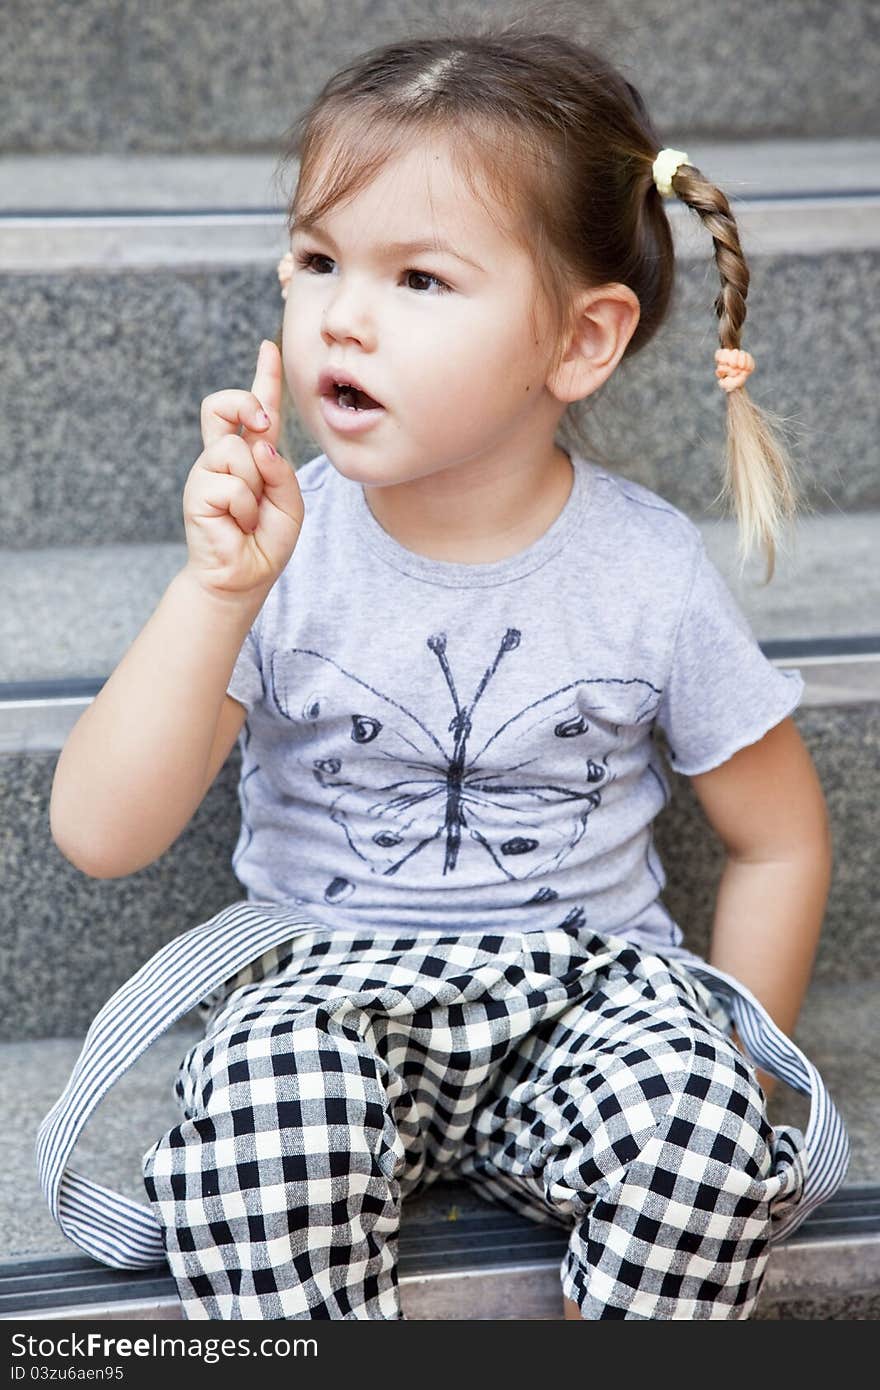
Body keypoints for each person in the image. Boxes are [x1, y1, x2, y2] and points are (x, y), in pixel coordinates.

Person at [37, 17, 849, 1321]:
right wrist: (216, 590)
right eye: (316, 259)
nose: (343, 316)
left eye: (418, 278)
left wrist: (732, 1071)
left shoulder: (645, 572)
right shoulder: (273, 550)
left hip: (579, 992)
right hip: (330, 989)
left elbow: (779, 837)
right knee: (270, 1112)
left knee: (699, 1128)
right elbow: (97, 830)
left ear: (580, 343)